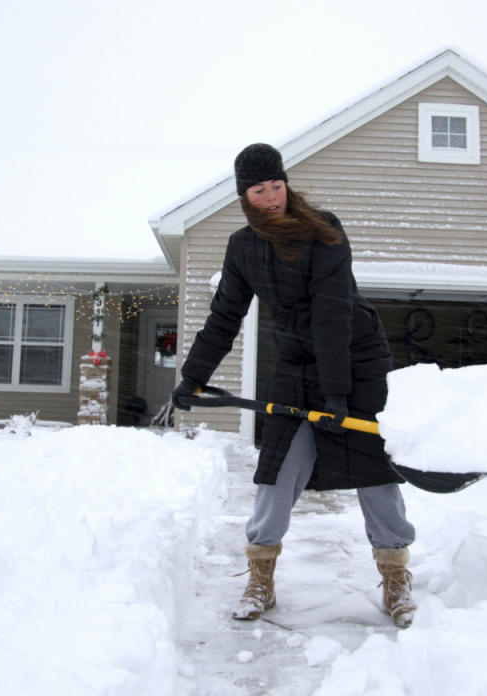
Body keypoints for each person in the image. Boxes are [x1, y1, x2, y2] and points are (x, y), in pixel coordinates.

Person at [172, 143, 417, 627]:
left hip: (356, 356)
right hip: (297, 364)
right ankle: (260, 575)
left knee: (371, 466)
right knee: (278, 467)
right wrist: (192, 377)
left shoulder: (323, 230)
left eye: (277, 187)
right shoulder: (243, 247)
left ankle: (394, 574)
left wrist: (337, 393)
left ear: (287, 185)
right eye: (259, 191)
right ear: (245, 196)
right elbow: (225, 316)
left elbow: (332, 311)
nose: (271, 198)